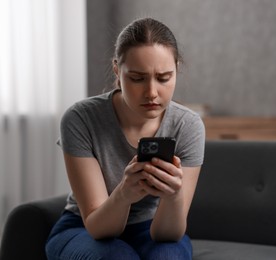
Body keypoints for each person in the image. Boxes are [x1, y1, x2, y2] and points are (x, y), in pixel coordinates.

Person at [45, 17, 205, 260]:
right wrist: (124, 194)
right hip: (85, 227)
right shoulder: (81, 118)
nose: (152, 92)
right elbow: (98, 228)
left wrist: (173, 196)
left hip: (150, 227)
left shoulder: (188, 125)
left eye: (163, 78)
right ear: (117, 70)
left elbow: (168, 235)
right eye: (137, 78)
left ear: (176, 70)